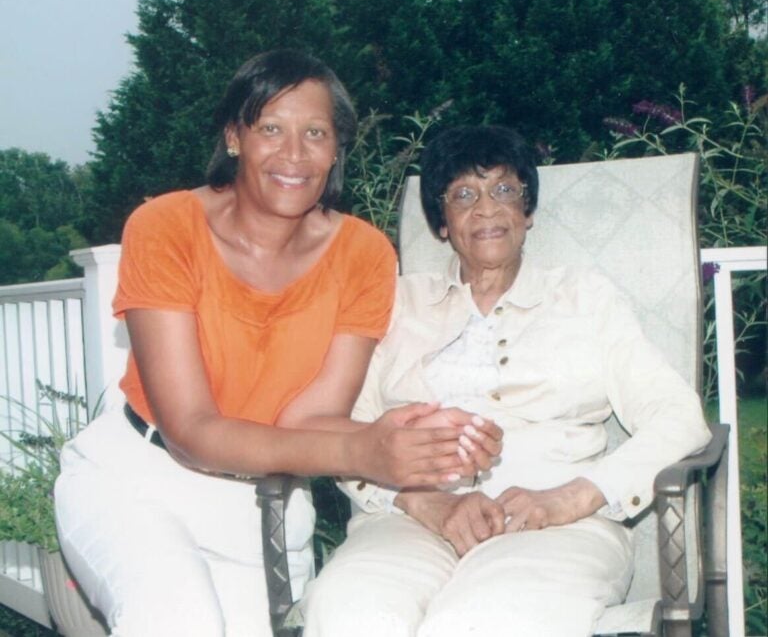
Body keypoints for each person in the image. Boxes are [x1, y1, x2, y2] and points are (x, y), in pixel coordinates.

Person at [53, 51, 500, 637]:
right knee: (177, 622)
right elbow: (193, 431)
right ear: (235, 136)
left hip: (264, 511)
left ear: (337, 147)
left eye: (316, 133)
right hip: (138, 481)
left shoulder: (364, 254)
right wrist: (362, 454)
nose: (294, 155)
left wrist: (416, 443)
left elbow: (311, 417)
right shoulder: (166, 227)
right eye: (271, 128)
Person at [301, 125, 713, 637]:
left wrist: (575, 495)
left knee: (486, 623)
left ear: (528, 211)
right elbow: (348, 430)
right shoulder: (396, 305)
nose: (487, 209)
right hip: (408, 521)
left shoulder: (585, 299)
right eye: (464, 195)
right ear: (442, 223)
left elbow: (678, 416)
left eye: (503, 190)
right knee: (349, 613)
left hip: (558, 527)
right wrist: (426, 501)